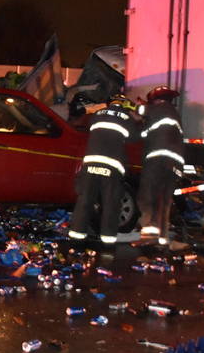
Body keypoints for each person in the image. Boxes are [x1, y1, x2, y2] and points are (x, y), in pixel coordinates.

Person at [68, 94, 136, 247]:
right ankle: (107, 240)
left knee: (85, 200)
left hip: (91, 164)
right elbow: (133, 138)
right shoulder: (126, 117)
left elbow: (87, 127)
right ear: (124, 105)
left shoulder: (97, 114)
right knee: (111, 202)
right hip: (111, 167)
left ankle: (76, 236)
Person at [136, 85, 185, 245]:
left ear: (156, 99)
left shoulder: (158, 109)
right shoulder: (173, 113)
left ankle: (149, 235)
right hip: (174, 163)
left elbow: (141, 114)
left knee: (147, 195)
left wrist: (136, 105)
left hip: (157, 159)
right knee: (164, 199)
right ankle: (163, 238)